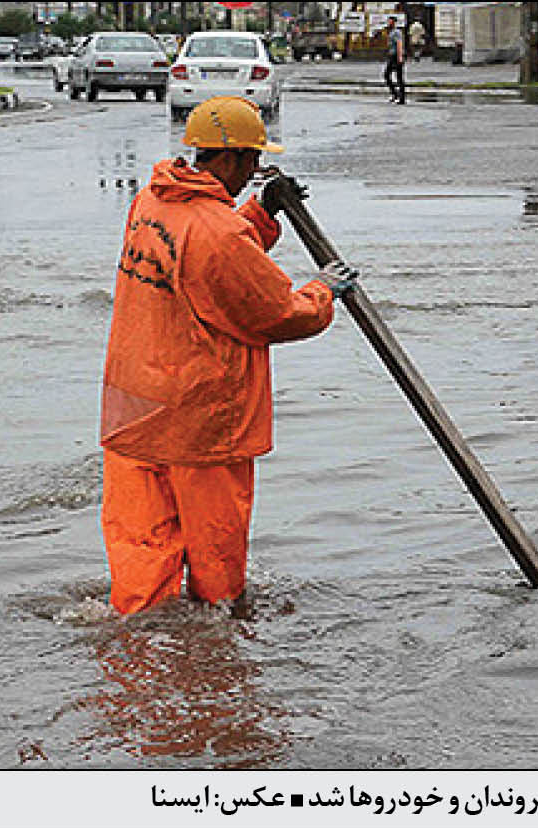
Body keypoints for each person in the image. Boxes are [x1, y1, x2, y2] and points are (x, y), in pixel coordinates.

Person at [98, 96, 358, 616]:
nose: (253, 172)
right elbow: (275, 311)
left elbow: (207, 267)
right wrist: (324, 290)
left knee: (141, 561)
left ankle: (137, 661)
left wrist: (259, 214)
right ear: (235, 158)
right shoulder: (219, 231)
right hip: (200, 421)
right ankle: (216, 654)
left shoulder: (151, 201)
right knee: (217, 568)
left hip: (133, 410)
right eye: (252, 162)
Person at [382, 16, 406, 104]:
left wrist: (400, 57)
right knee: (387, 75)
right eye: (388, 21)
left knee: (399, 77)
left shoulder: (397, 32)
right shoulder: (390, 32)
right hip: (391, 56)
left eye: (390, 22)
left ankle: (402, 98)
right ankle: (395, 94)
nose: (388, 23)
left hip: (396, 56)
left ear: (394, 22)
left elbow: (399, 44)